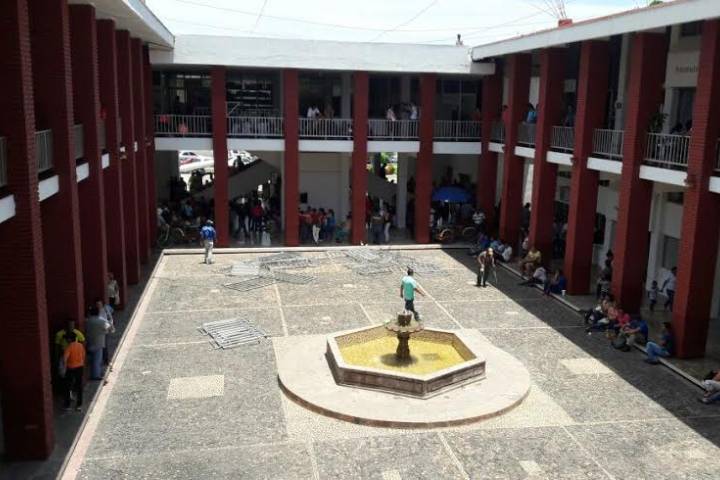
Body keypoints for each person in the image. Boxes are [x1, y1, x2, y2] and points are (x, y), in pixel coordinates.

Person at [86, 305, 111, 380]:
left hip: (89, 342)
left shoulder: (88, 321)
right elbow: (109, 328)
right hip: (99, 343)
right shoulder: (102, 321)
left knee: (91, 360)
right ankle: (96, 375)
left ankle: (92, 373)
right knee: (97, 360)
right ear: (98, 313)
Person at [63, 332, 85, 411]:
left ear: (69, 339)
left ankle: (67, 405)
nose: (65, 341)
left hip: (71, 368)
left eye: (66, 339)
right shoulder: (80, 345)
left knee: (68, 386)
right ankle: (79, 405)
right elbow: (83, 355)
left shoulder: (69, 347)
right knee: (79, 386)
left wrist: (64, 368)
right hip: (80, 367)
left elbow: (65, 359)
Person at [96, 298, 116, 365]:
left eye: (99, 304)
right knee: (101, 345)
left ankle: (106, 359)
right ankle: (103, 359)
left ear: (102, 304)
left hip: (105, 329)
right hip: (99, 331)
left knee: (105, 345)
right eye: (97, 304)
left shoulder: (105, 309)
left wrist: (110, 324)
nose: (99, 305)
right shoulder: (96, 312)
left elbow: (110, 316)